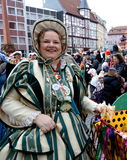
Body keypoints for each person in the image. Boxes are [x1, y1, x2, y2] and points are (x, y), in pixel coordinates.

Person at [0, 18, 108, 159]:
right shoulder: (25, 69)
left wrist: (96, 107)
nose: (51, 45)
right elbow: (7, 102)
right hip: (38, 139)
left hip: (73, 135)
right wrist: (36, 117)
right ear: (38, 44)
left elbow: (78, 99)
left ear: (62, 46)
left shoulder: (70, 70)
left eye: (56, 42)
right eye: (46, 41)